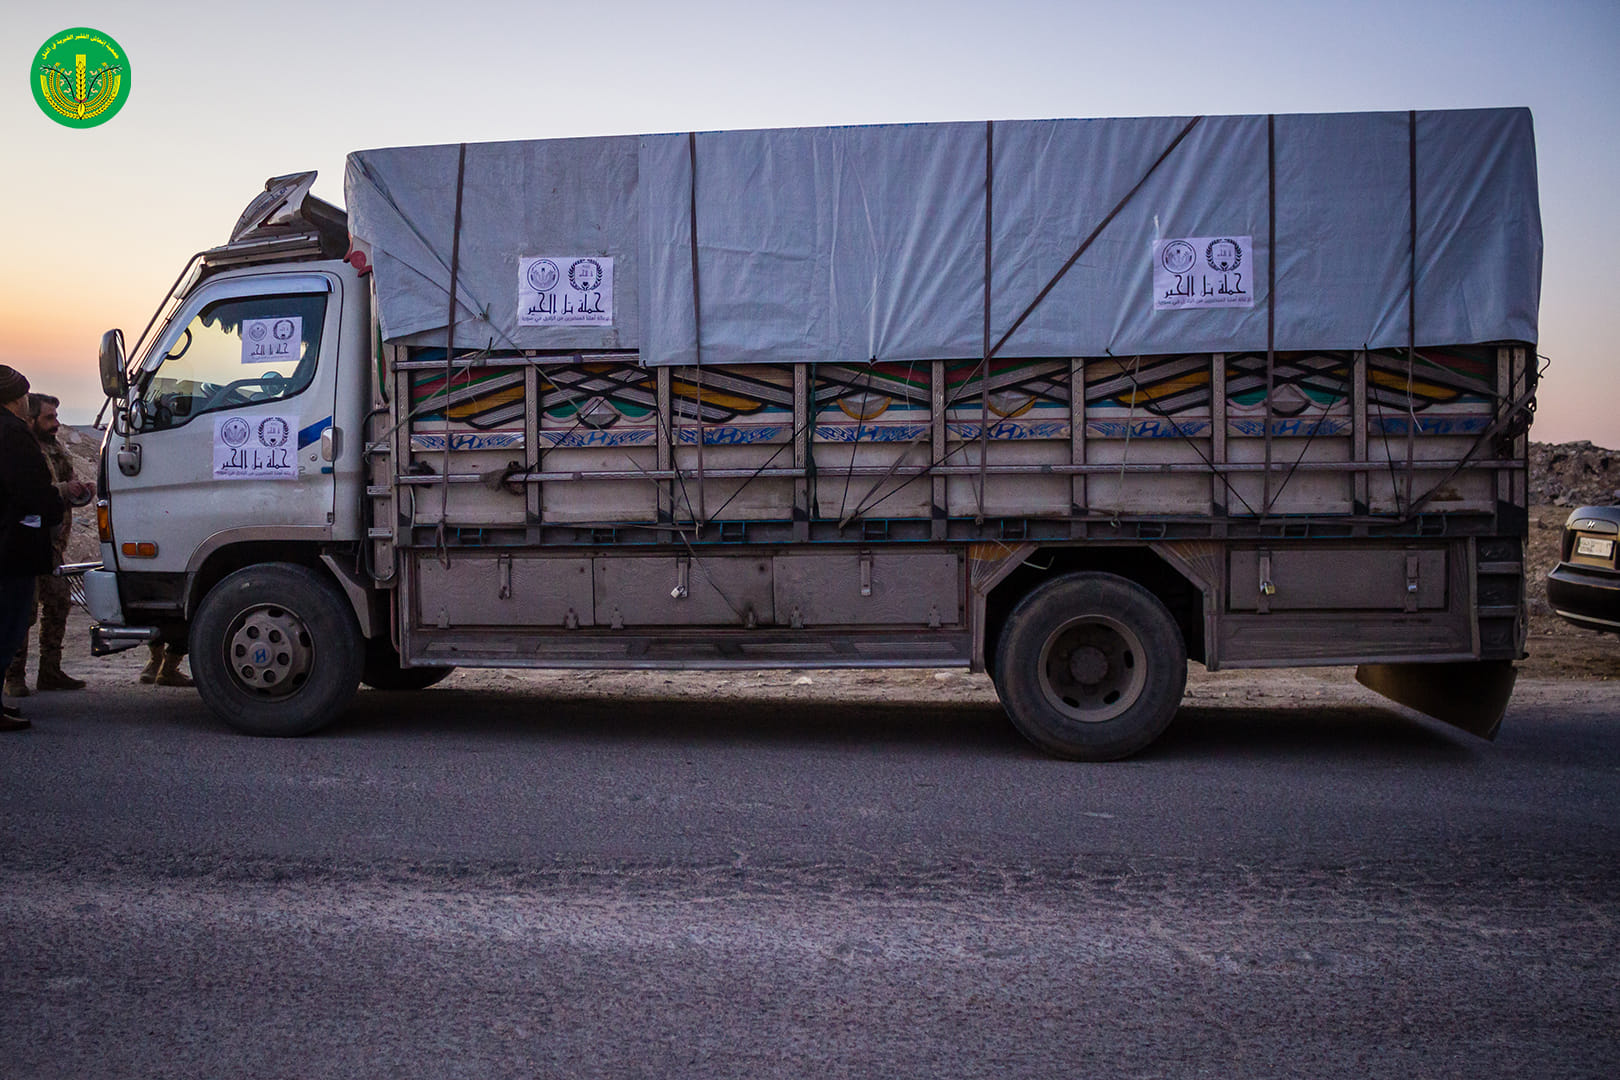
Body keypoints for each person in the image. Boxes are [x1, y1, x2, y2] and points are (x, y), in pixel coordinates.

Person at [5, 393, 94, 696]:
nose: (55, 424)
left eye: (57, 417)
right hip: (25, 545)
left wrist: (81, 491)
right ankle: (14, 677)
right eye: (49, 418)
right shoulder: (20, 450)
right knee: (23, 613)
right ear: (30, 419)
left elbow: (64, 492)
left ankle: (50, 671)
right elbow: (27, 493)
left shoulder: (56, 449)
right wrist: (62, 490)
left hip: (53, 547)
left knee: (58, 603)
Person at [0, 367, 67, 732]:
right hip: (14, 547)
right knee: (11, 623)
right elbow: (31, 491)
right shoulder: (13, 435)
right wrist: (54, 505)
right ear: (16, 398)